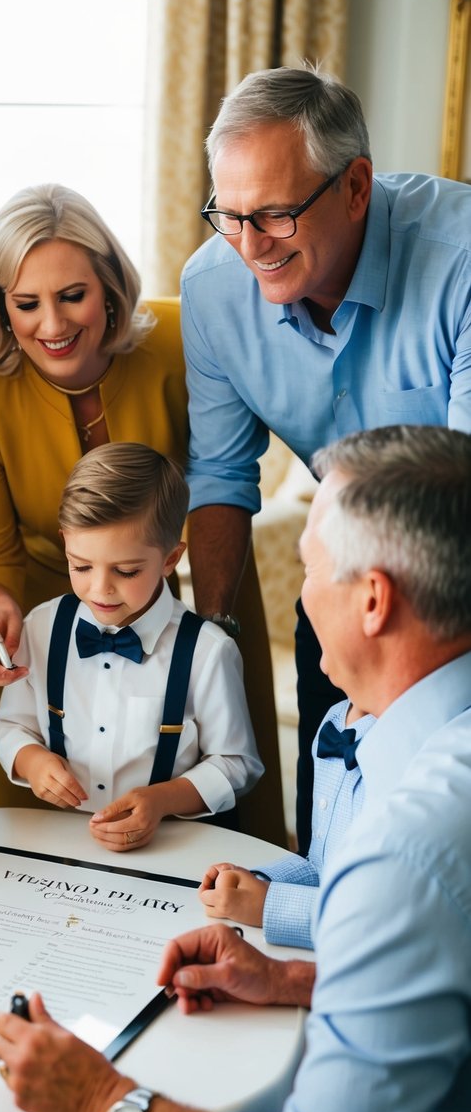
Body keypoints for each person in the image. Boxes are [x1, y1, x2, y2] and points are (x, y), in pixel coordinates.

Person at [0, 424, 471, 1112]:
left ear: (372, 600)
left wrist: (98, 1101)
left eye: (307, 569)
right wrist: (290, 978)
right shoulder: (361, 735)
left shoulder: (404, 853)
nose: (298, 598)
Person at [180, 65, 471, 854]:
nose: (248, 246)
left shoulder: (460, 258)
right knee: (332, 833)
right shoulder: (210, 290)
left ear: (355, 186)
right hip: (339, 594)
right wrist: (210, 637)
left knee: (439, 844)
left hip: (453, 597)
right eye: (228, 216)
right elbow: (220, 478)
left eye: (273, 214)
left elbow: (463, 497)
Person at [0, 183, 280, 835]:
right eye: (26, 303)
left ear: (109, 286)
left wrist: (206, 630)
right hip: (40, 619)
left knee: (226, 825)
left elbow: (222, 476)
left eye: (72, 295)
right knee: (41, 845)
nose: (53, 325)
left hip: (203, 579)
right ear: (0, 305)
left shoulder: (182, 339)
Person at [0, 443, 262, 847]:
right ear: (65, 541)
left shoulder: (207, 651)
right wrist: (32, 761)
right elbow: (11, 724)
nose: (100, 588)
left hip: (175, 846)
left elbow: (237, 763)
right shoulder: (42, 628)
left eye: (126, 570)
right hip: (68, 844)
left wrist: (162, 800)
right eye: (81, 566)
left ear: (170, 559)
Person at [199, 697, 375, 948]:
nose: (321, 661)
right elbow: (320, 864)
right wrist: (255, 882)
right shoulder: (335, 716)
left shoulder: (409, 748)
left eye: (326, 654)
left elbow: (381, 917)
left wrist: (267, 905)